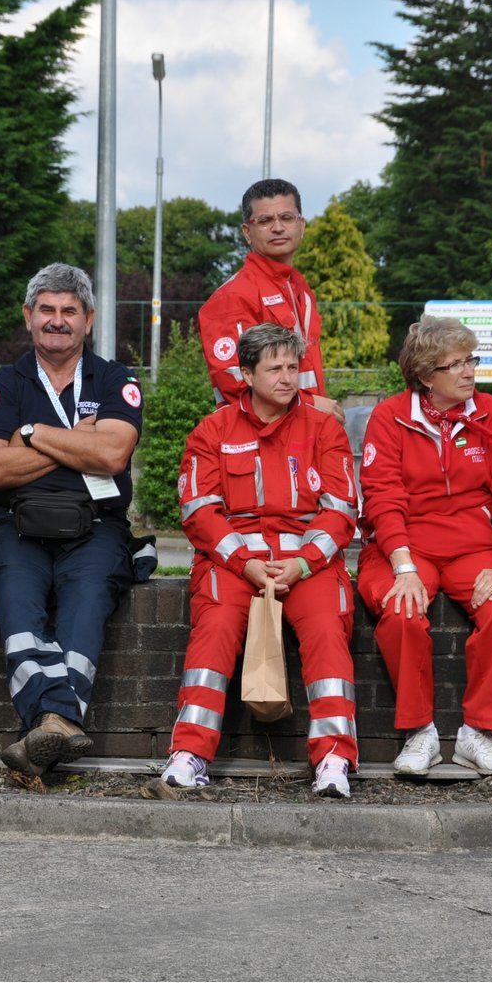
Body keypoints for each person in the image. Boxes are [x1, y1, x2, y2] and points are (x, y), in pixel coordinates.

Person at [154, 324, 360, 798]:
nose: (289, 378)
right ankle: (189, 754)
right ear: (247, 373)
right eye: (275, 368)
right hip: (234, 563)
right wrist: (245, 561)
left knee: (327, 630)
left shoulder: (324, 428)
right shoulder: (213, 430)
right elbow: (199, 510)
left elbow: (341, 507)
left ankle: (334, 759)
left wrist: (304, 563)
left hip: (307, 564)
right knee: (216, 629)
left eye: (294, 367)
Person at [0, 263, 148, 776]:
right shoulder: (3, 384)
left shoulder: (116, 379)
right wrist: (73, 441)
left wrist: (31, 433)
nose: (57, 320)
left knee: (87, 601)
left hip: (96, 527)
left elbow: (112, 454)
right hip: (16, 525)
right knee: (17, 601)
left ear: (88, 319)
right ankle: (60, 722)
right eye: (46, 309)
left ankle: (49, 723)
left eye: (69, 311)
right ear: (28, 317)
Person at [356, 315, 492, 777]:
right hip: (404, 545)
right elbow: (382, 495)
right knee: (400, 613)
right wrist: (402, 565)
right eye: (454, 364)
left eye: (470, 360)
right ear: (424, 376)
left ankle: (479, 733)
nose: (468, 372)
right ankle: (420, 733)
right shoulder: (390, 416)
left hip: (473, 544)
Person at [197, 178, 343, 423]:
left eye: (287, 218)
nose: (278, 227)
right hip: (258, 440)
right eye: (265, 220)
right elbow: (235, 382)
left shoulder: (300, 289)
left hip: (303, 433)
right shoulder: (234, 296)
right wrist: (310, 405)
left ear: (301, 225)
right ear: (247, 232)